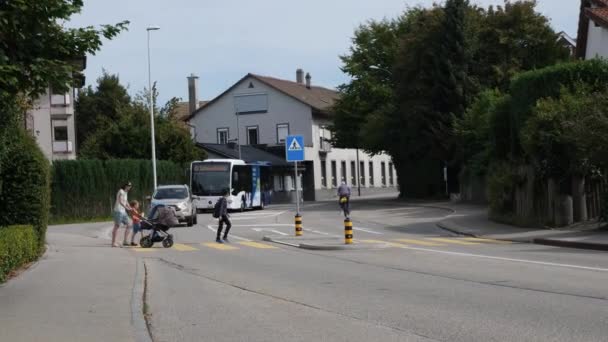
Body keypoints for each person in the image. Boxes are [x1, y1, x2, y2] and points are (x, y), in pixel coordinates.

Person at [112, 182, 133, 247]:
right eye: (128, 186)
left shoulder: (126, 192)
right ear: (125, 186)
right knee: (117, 226)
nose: (129, 187)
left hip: (123, 211)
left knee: (129, 224)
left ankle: (125, 241)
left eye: (130, 186)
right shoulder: (121, 191)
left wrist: (130, 207)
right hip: (118, 211)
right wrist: (127, 208)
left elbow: (126, 201)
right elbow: (120, 201)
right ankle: (113, 243)